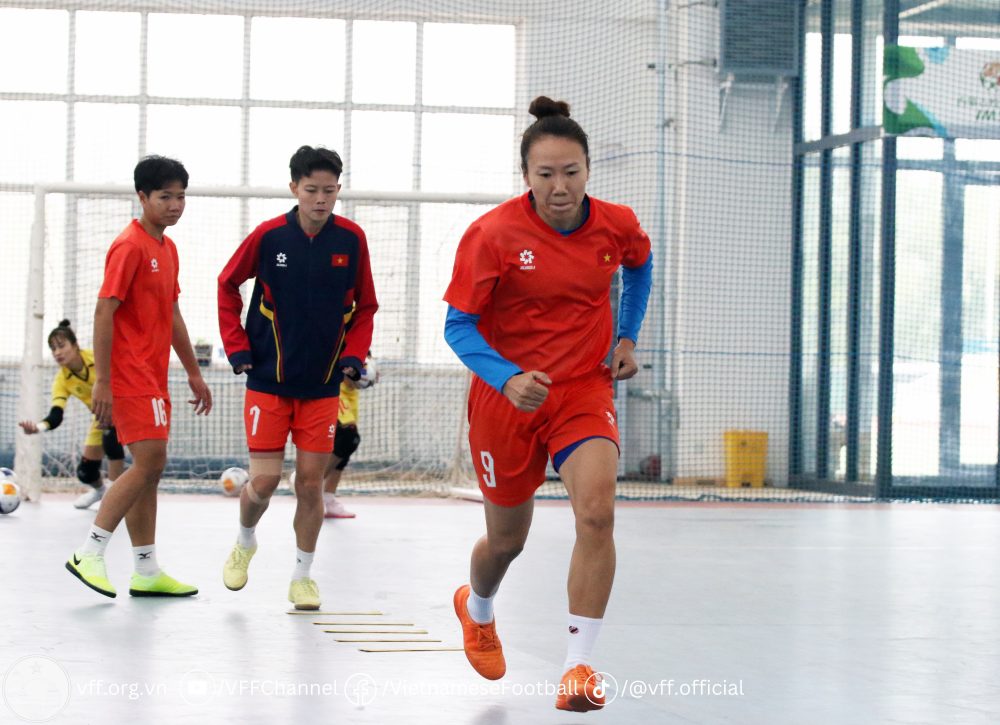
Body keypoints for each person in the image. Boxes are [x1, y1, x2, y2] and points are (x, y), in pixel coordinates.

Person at [443, 97, 653, 712]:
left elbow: (639, 269)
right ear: (526, 176)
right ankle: (476, 606)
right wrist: (507, 378)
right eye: (545, 174)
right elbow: (459, 327)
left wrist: (627, 335)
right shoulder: (492, 235)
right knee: (506, 541)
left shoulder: (616, 224)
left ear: (589, 170)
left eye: (571, 172)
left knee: (597, 514)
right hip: (505, 399)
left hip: (583, 390)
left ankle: (579, 667)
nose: (559, 187)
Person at [218, 145, 377, 610]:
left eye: (329, 190)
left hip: (324, 387)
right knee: (263, 483)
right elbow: (228, 284)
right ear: (294, 188)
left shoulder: (351, 240)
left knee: (311, 485)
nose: (321, 199)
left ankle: (303, 577)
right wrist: (236, 345)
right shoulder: (269, 238)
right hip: (268, 382)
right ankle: (245, 541)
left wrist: (354, 353)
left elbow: (366, 306)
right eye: (312, 190)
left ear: (338, 190)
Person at [65, 155, 213, 599]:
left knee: (150, 470)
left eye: (181, 196)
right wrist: (103, 380)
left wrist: (192, 371)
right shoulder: (129, 246)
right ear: (142, 197)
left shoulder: (167, 250)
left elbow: (171, 314)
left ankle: (146, 570)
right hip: (129, 376)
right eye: (165, 196)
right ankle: (88, 553)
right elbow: (103, 310)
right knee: (148, 464)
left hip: (155, 376)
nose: (175, 205)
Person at [19, 320, 126, 509]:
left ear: (75, 346)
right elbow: (56, 414)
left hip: (126, 406)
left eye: (61, 346)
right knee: (86, 471)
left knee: (111, 438)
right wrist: (38, 427)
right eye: (53, 349)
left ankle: (114, 496)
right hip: (101, 417)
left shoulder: (98, 357)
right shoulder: (62, 379)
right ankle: (100, 491)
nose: (57, 352)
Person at [321, 352, 378, 519]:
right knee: (348, 438)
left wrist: (369, 366)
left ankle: (328, 499)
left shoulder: (362, 347)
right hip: (335, 393)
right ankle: (310, 482)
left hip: (349, 397)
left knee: (342, 453)